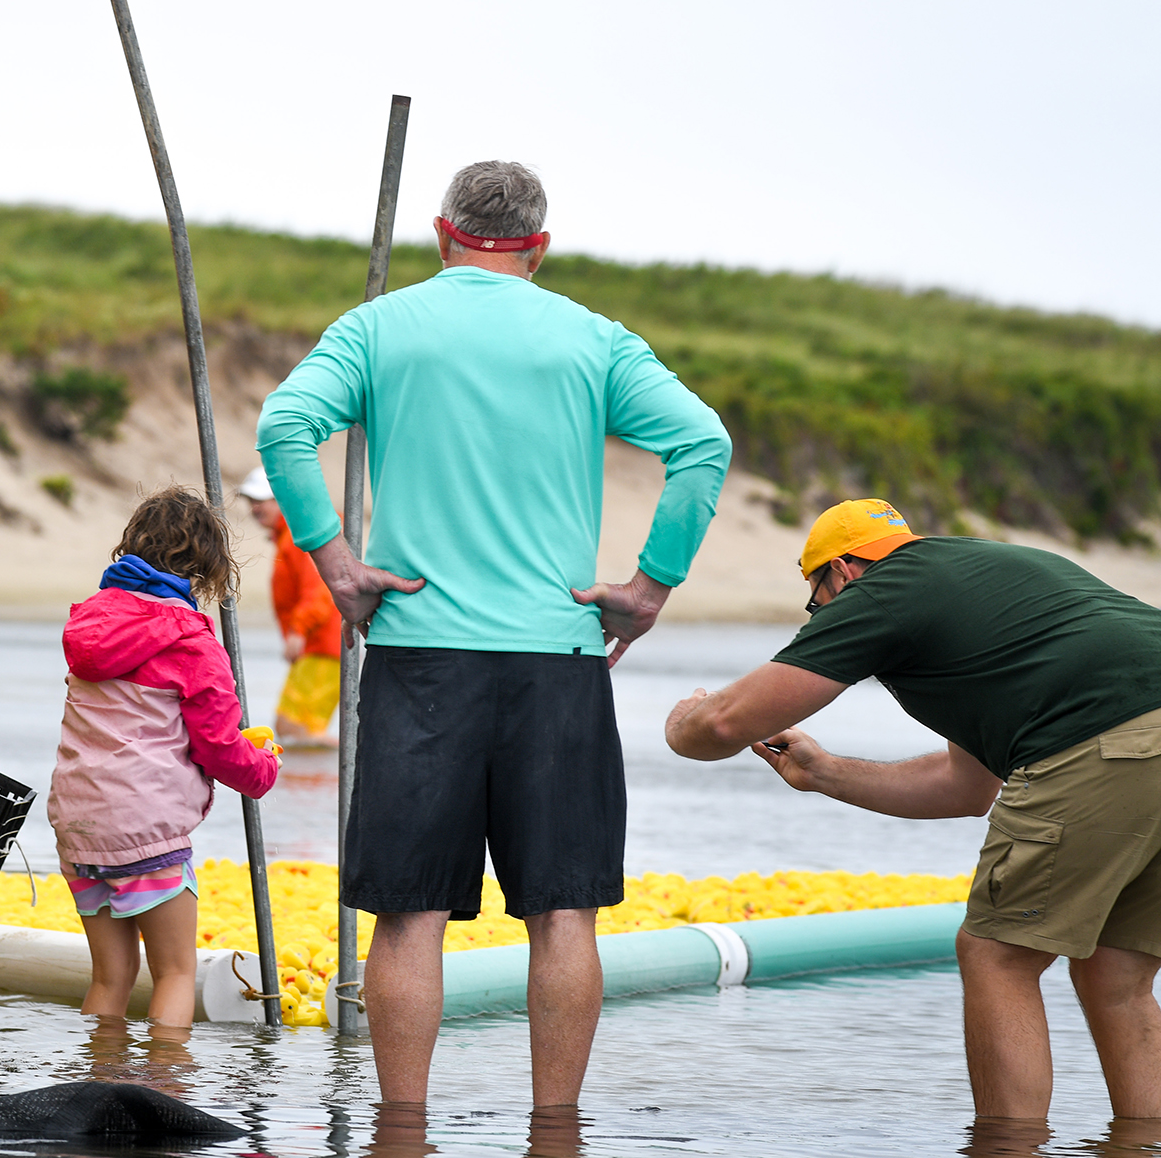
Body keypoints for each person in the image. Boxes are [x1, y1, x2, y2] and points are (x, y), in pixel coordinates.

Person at [255, 160, 731, 1107]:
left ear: (442, 234)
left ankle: (403, 1129)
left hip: (419, 654)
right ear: (540, 248)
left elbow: (285, 425)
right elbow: (701, 443)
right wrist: (649, 585)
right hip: (556, 659)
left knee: (409, 915)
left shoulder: (381, 326)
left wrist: (336, 562)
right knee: (564, 914)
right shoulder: (594, 340)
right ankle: (555, 1130)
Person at [666, 498, 1161, 1122]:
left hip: (1101, 739)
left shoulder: (889, 588)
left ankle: (1005, 1147)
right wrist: (823, 772)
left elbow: (722, 725)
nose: (821, 618)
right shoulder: (984, 580)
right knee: (1115, 977)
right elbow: (966, 788)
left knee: (998, 956)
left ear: (842, 572)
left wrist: (683, 720)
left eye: (817, 605)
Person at [48, 487, 282, 1028]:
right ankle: (164, 1095)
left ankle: (96, 1089)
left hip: (79, 825)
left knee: (109, 978)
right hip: (145, 829)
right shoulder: (192, 642)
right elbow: (219, 747)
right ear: (204, 565)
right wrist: (262, 764)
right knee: (176, 973)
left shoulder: (90, 623)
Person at [238, 466, 341, 747]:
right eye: (252, 501)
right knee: (295, 732)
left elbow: (320, 589)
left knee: (296, 731)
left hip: (322, 644)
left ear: (282, 500)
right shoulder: (291, 536)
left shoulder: (300, 536)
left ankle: (338, 776)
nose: (255, 508)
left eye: (262, 500)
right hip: (317, 645)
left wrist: (299, 629)